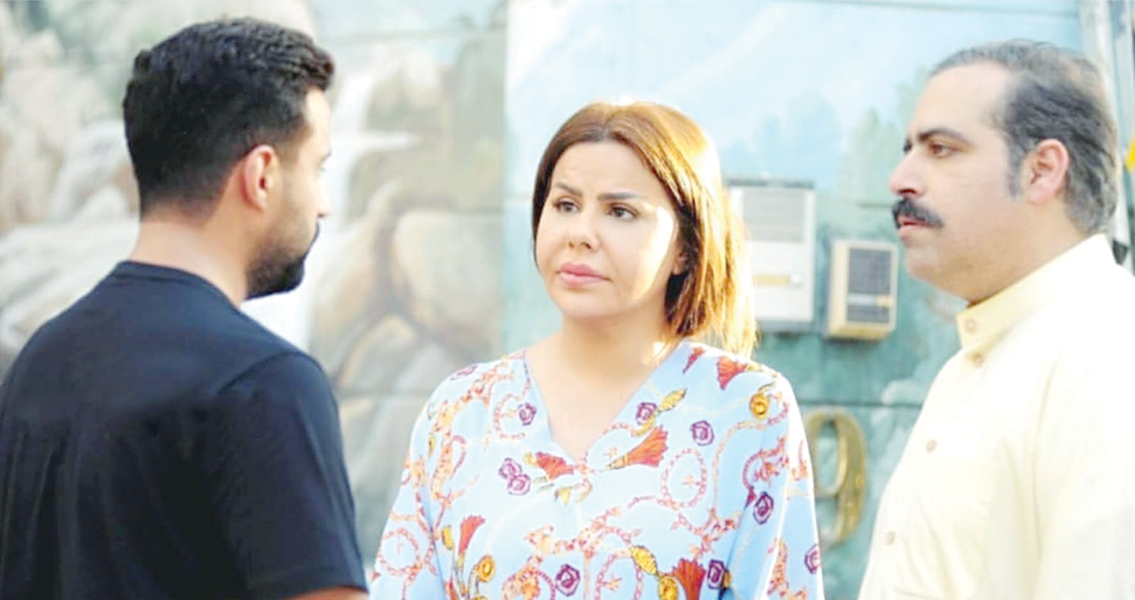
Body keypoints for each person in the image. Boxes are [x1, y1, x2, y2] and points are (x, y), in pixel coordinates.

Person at [369, 101, 823, 600]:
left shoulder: (749, 411)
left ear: (686, 247)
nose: (580, 234)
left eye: (620, 211)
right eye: (565, 205)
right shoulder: (461, 409)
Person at [0, 18, 368, 600]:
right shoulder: (264, 383)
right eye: (316, 168)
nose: (323, 204)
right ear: (262, 175)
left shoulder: (36, 363)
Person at [860, 40, 1135, 599]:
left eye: (941, 149)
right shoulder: (978, 361)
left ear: (1042, 171)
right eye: (909, 149)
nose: (901, 178)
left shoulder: (1108, 355)